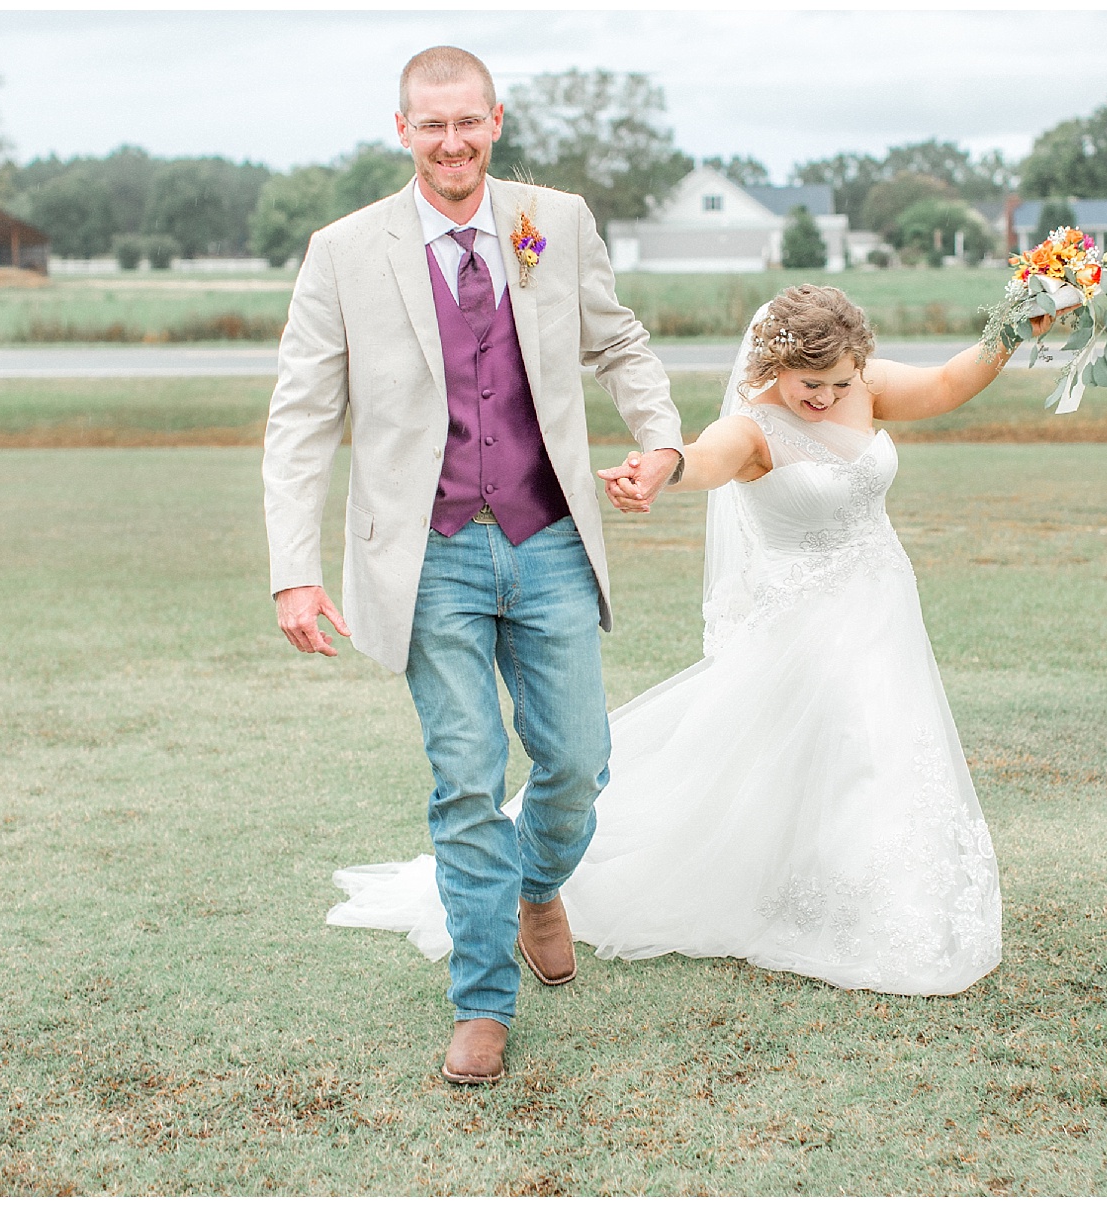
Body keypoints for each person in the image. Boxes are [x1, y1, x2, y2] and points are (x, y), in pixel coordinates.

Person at [330, 285, 1066, 998]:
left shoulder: (860, 385)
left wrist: (1015, 329)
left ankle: (884, 898)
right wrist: (664, 467)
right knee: (855, 746)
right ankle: (552, 883)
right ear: (773, 366)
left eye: (838, 382)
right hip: (807, 628)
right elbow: (705, 458)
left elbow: (942, 384)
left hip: (881, 608)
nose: (826, 397)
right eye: (810, 384)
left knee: (889, 750)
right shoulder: (752, 428)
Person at [265, 45, 684, 1087]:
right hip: (429, 558)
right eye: (430, 124)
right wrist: (293, 568)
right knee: (463, 782)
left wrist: (664, 442)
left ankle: (539, 882)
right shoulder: (342, 251)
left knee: (579, 762)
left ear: (495, 121)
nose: (451, 142)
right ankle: (483, 1005)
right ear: (401, 130)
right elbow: (302, 419)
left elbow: (621, 344)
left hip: (548, 540)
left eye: (469, 122)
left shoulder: (556, 221)